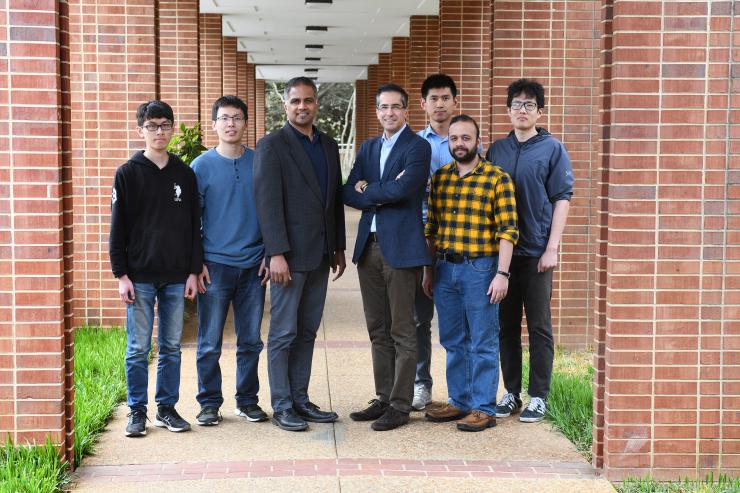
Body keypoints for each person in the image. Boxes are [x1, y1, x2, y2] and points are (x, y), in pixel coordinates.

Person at [253, 76, 346, 432]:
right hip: (288, 259)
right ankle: (282, 405)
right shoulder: (271, 146)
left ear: (316, 104)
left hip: (321, 255)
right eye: (296, 101)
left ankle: (301, 399)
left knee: (307, 331)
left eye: (308, 101)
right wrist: (275, 253)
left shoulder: (328, 145)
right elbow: (267, 203)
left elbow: (333, 200)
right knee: (283, 333)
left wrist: (337, 245)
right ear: (285, 105)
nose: (302, 107)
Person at [109, 100, 202, 437]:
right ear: (141, 131)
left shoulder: (184, 174)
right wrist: (121, 275)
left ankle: (166, 408)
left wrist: (193, 271)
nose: (159, 131)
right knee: (137, 348)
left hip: (177, 276)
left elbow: (195, 227)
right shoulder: (128, 174)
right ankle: (137, 411)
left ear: (173, 128)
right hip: (139, 276)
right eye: (152, 126)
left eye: (165, 125)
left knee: (172, 347)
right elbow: (117, 228)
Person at [343, 83, 431, 431]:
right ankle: (382, 397)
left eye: (396, 107)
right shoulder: (368, 147)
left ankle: (400, 404)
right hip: (370, 248)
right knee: (377, 328)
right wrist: (377, 191)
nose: (389, 113)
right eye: (384, 107)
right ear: (377, 111)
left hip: (401, 250)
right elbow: (349, 190)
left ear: (407, 111)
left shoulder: (417, 147)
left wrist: (371, 190)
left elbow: (405, 188)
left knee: (402, 329)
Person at [422, 114, 518, 432]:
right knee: (453, 339)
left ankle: (483, 407)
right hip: (445, 268)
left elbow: (508, 230)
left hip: (482, 268)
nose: (459, 143)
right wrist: (428, 270)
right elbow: (431, 229)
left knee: (483, 341)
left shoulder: (497, 178)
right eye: (454, 138)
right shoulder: (441, 178)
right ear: (447, 142)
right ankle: (460, 402)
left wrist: (502, 274)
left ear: (479, 141)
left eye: (466, 138)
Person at [485, 78, 573, 423]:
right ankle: (510, 393)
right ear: (507, 110)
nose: (522, 111)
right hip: (503, 255)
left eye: (530, 105)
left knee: (538, 327)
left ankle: (539, 396)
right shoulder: (497, 150)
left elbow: (562, 199)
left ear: (540, 111)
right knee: (505, 326)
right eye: (517, 105)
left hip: (537, 254)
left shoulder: (552, 149)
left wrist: (553, 247)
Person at [191, 96, 269, 427]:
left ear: (246, 123)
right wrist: (196, 263)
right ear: (214, 125)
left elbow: (271, 211)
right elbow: (189, 221)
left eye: (237, 118)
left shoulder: (259, 162)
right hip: (215, 265)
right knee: (209, 342)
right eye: (224, 118)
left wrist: (270, 251)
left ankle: (247, 401)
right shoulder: (201, 167)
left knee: (250, 340)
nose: (231, 124)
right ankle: (209, 403)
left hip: (254, 264)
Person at [411, 73, 458, 411]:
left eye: (445, 98)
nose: (439, 104)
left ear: (455, 102)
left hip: (459, 241)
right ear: (423, 103)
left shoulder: (468, 141)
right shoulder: (413, 144)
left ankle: (461, 389)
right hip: (419, 238)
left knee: (459, 320)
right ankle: (420, 384)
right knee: (418, 319)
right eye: (434, 99)